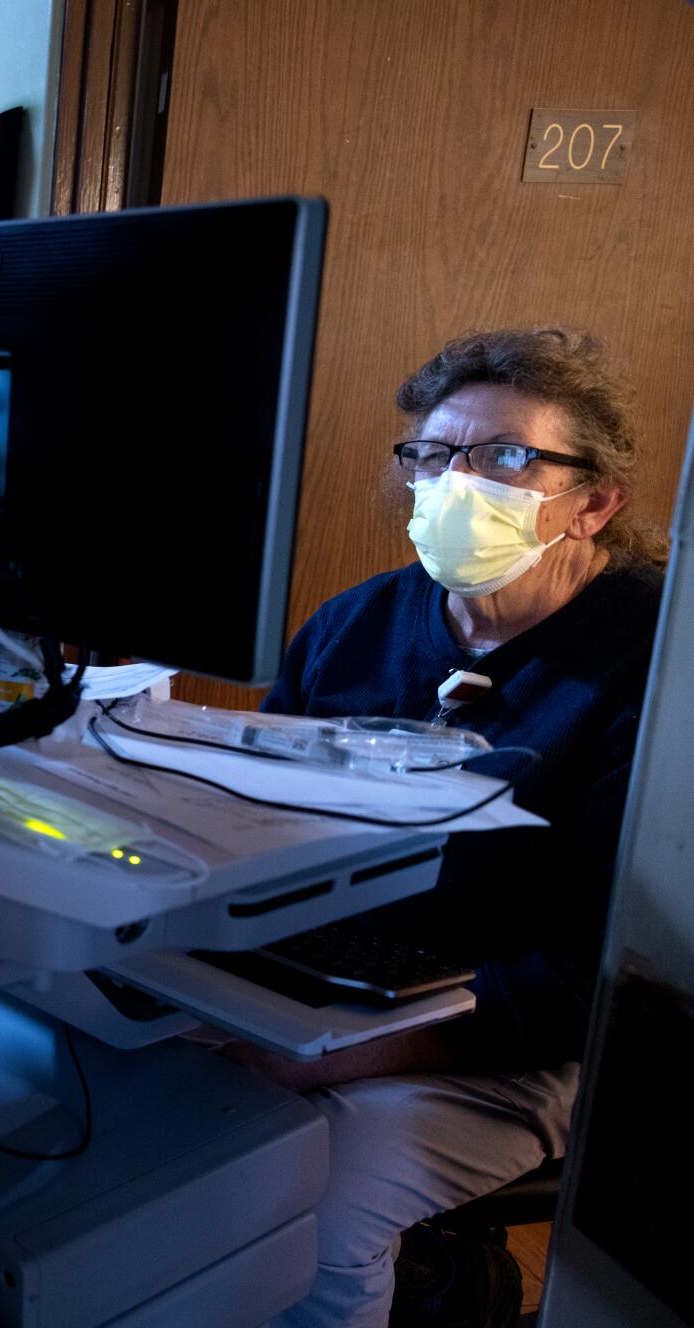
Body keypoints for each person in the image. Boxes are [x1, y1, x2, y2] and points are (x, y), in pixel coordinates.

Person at [242, 328, 669, 1327]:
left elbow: (588, 979)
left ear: (594, 501)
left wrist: (331, 1054)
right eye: (433, 455)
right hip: (336, 984)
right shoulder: (354, 627)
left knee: (303, 1203)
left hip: (526, 1043)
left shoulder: (653, 665)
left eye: (504, 456)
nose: (455, 481)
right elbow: (254, 826)